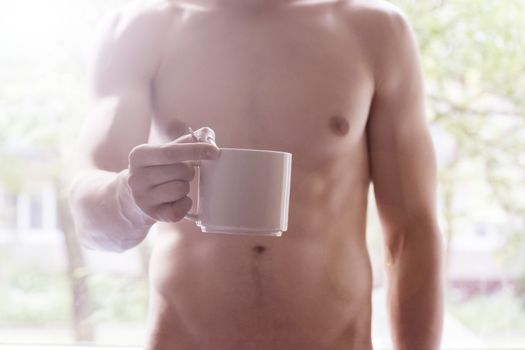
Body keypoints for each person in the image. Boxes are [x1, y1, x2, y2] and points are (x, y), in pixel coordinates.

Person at [69, 0, 443, 348]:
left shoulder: (375, 29)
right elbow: (90, 221)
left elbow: (413, 232)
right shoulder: (140, 28)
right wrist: (127, 199)